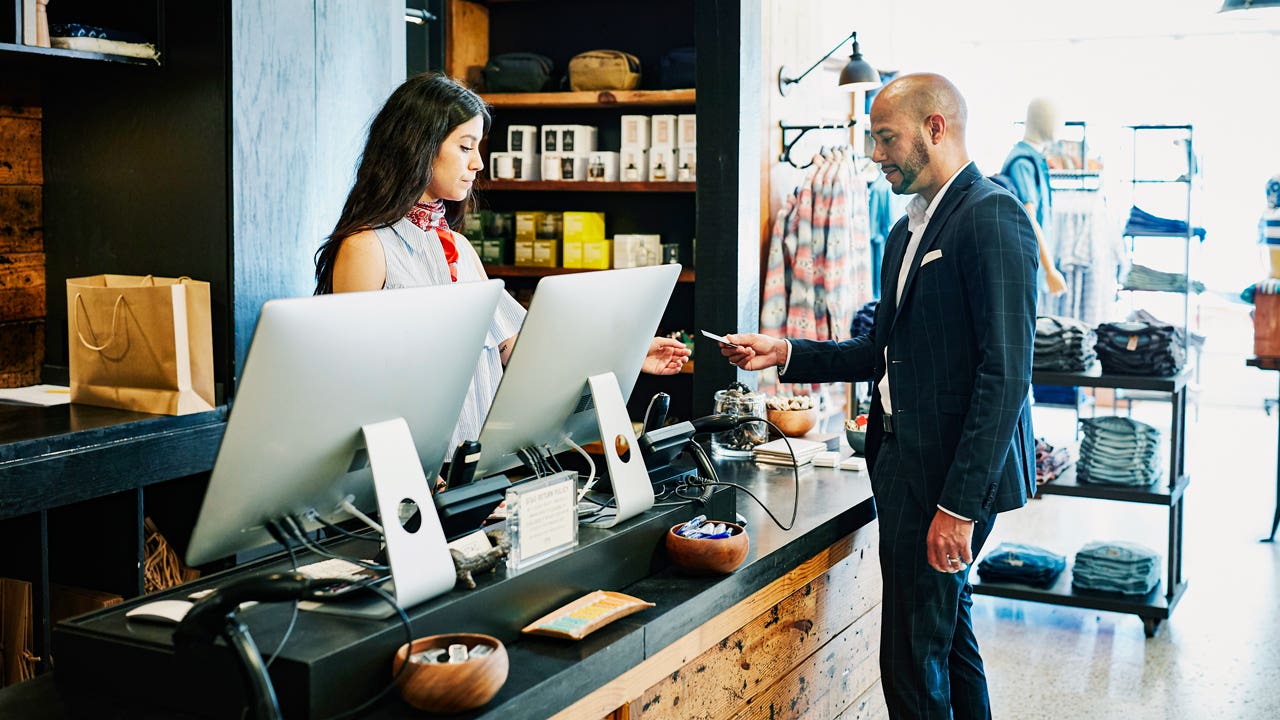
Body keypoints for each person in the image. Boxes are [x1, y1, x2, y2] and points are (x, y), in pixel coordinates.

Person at [721, 73, 1037, 719]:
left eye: (886, 138)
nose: (875, 154)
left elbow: (1005, 373)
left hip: (947, 476)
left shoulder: (991, 215)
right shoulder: (905, 230)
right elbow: (879, 351)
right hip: (901, 460)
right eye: (872, 139)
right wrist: (785, 350)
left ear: (936, 127)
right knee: (947, 637)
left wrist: (957, 505)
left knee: (911, 651)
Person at [314, 73, 689, 448]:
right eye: (465, 146)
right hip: (413, 476)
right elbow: (353, 386)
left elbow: (525, 352)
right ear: (418, 146)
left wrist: (631, 351)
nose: (478, 163)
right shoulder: (367, 247)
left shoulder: (459, 247)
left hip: (476, 468)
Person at [1002, 97, 1067, 296]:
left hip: (1031, 262)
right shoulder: (1023, 163)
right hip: (1025, 264)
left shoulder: (1034, 160)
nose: (1061, 124)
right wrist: (1050, 270)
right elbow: (1030, 218)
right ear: (1040, 121)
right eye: (1057, 118)